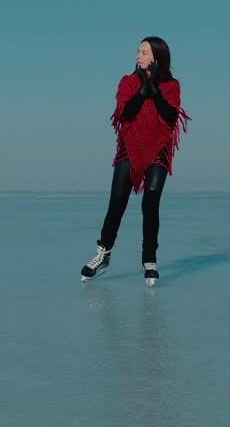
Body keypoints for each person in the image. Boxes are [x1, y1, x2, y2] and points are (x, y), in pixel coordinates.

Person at [81, 36, 190, 286]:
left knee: (151, 203)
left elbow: (171, 117)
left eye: (143, 52)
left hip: (158, 149)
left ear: (156, 57)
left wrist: (156, 92)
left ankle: (149, 260)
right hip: (130, 147)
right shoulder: (128, 82)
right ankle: (103, 254)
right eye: (138, 52)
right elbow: (124, 113)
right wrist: (142, 91)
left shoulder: (171, 85)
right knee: (117, 201)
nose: (138, 56)